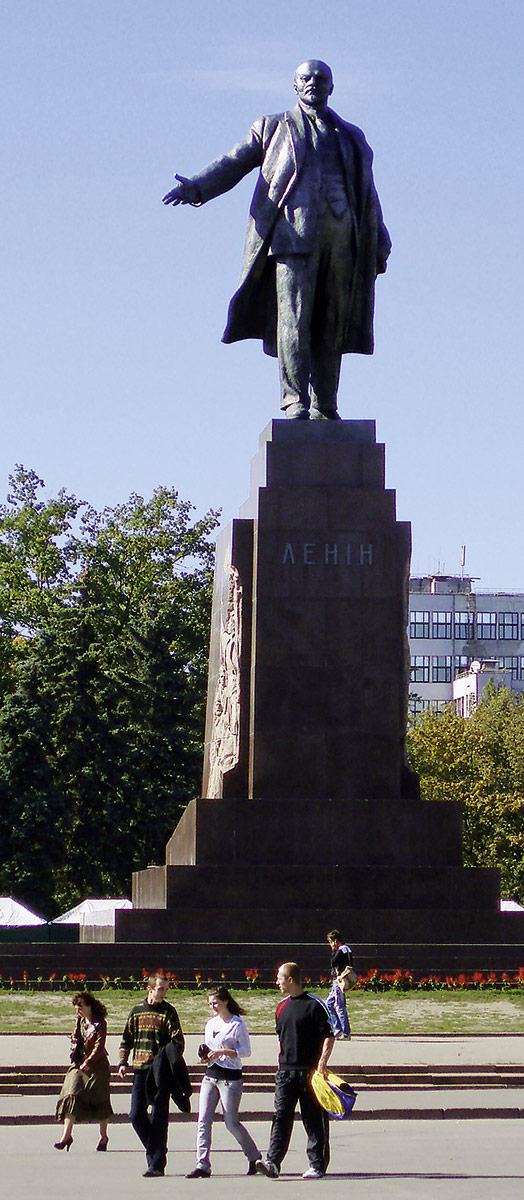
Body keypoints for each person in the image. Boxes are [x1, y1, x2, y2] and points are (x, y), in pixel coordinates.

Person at [162, 59, 390, 421]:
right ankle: (294, 399)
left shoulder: (352, 137)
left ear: (332, 87)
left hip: (342, 239)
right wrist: (198, 186)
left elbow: (366, 192)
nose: (314, 83)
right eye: (306, 78)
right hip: (292, 238)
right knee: (294, 320)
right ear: (295, 86)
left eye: (321, 78)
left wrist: (379, 236)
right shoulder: (272, 127)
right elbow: (234, 162)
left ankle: (325, 404)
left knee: (332, 322)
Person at [255, 961, 334, 1180]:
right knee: (280, 1116)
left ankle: (317, 1164)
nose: (276, 981)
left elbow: (329, 1036)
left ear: (290, 979)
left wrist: (322, 1064)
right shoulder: (281, 1007)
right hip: (286, 1073)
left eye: (279, 977)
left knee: (313, 1119)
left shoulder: (315, 1005)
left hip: (309, 1072)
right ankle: (273, 1162)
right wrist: (280, 1065)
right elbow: (280, 1038)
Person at [187, 986, 261, 1179]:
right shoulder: (210, 1024)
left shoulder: (237, 1024)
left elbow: (246, 1051)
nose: (213, 1006)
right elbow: (210, 1048)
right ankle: (202, 1164)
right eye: (210, 1003)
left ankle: (254, 1157)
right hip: (210, 1075)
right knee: (203, 1120)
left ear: (225, 1001)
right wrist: (205, 1055)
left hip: (230, 1078)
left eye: (216, 1003)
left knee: (231, 1122)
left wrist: (224, 1052)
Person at [118, 970, 185, 1178]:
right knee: (136, 1115)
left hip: (160, 1073)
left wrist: (166, 1058)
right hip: (139, 1070)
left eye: (166, 989)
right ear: (150, 989)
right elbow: (126, 1038)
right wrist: (122, 1061)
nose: (163, 993)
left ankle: (156, 1165)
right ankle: (156, 1151)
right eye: (160, 989)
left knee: (159, 1118)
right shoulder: (136, 1011)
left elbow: (178, 1042)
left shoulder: (169, 1012)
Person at [54, 991, 113, 1151]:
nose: (78, 1010)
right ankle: (66, 1136)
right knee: (71, 1094)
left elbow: (99, 1046)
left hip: (97, 1066)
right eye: (76, 1007)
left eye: (81, 1006)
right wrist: (74, 1042)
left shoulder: (100, 1023)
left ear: (89, 1006)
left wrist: (89, 1061)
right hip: (79, 1064)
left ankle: (103, 1136)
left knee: (100, 1099)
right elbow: (76, 1039)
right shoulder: (80, 1021)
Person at [326, 929, 352, 1039]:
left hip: (340, 981)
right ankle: (338, 1029)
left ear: (335, 941)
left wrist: (335, 950)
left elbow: (334, 962)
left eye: (331, 942)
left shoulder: (342, 950)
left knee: (340, 1006)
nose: (330, 945)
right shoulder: (346, 949)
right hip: (336, 981)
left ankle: (345, 1032)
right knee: (328, 1004)